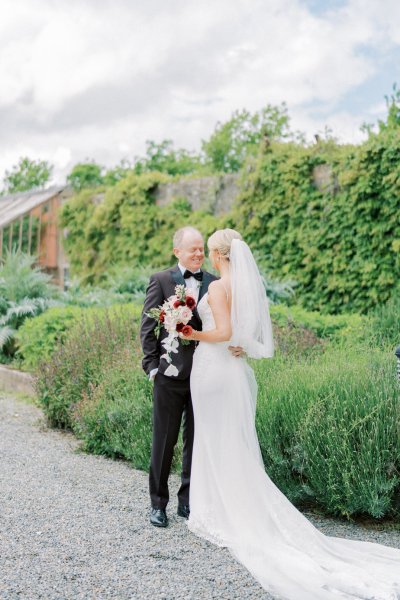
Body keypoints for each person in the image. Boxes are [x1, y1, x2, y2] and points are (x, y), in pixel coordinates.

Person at [182, 228, 400, 600]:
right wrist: (240, 346)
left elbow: (224, 332)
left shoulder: (218, 287)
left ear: (218, 255)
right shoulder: (246, 286)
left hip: (213, 371)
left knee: (215, 439)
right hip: (234, 372)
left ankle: (218, 512)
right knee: (232, 441)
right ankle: (228, 506)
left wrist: (190, 333)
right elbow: (252, 338)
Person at [140, 226, 242, 528]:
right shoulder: (160, 280)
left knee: (196, 441)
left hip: (206, 374)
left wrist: (240, 346)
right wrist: (152, 367)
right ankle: (158, 504)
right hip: (169, 375)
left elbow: (229, 324)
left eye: (201, 249)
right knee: (164, 440)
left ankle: (188, 503)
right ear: (177, 252)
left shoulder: (215, 282)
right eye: (192, 249)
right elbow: (148, 328)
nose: (199, 254)